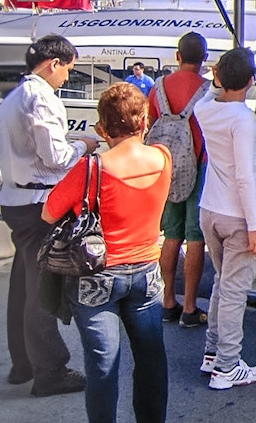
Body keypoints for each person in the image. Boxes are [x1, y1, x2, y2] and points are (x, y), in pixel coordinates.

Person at [42, 83, 171, 423]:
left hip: (98, 276)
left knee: (102, 365)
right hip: (147, 272)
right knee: (151, 358)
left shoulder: (92, 168)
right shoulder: (162, 158)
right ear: (144, 121)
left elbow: (50, 212)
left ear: (101, 128)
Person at [0, 34, 99, 397]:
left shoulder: (16, 96)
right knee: (41, 287)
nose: (67, 78)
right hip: (37, 202)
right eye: (68, 69)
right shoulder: (41, 98)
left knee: (23, 282)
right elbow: (56, 158)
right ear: (54, 63)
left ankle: (22, 363)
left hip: (16, 198)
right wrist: (83, 145)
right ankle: (49, 369)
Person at [194, 47, 256, 389]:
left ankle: (213, 353)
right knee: (235, 289)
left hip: (210, 208)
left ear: (220, 79)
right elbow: (246, 177)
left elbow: (208, 93)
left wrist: (215, 78)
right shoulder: (244, 121)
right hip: (238, 215)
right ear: (252, 81)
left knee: (223, 282)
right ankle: (227, 364)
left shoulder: (206, 109)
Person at [148, 32, 209, 329]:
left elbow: (149, 126)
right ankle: (189, 307)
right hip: (200, 166)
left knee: (171, 235)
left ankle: (167, 300)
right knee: (195, 236)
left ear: (178, 56)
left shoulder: (158, 88)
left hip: (166, 168)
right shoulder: (208, 91)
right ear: (205, 58)